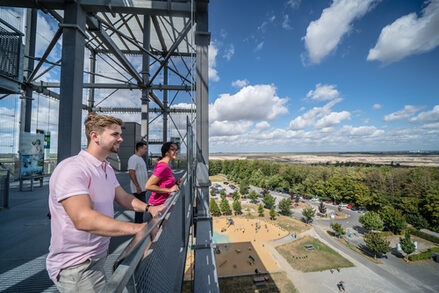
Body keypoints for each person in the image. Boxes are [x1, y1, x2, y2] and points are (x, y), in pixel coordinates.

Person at [46, 113, 150, 293]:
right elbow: (83, 219)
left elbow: (122, 197)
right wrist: (137, 229)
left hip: (97, 255)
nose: (121, 138)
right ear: (95, 136)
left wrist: (151, 208)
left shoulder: (105, 167)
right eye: (115, 134)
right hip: (78, 266)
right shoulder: (72, 169)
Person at [145, 142, 182, 217]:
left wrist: (175, 183)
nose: (176, 151)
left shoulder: (166, 165)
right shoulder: (163, 166)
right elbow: (148, 186)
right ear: (166, 152)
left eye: (176, 149)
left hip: (162, 203)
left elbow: (162, 182)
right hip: (158, 205)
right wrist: (169, 190)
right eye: (172, 149)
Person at [128, 141, 149, 223]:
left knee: (140, 208)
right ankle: (138, 224)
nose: (146, 150)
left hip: (142, 188)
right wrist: (137, 186)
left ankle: (138, 223)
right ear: (139, 148)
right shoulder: (133, 158)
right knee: (141, 207)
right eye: (145, 148)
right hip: (138, 188)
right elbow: (131, 172)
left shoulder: (140, 159)